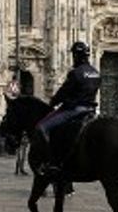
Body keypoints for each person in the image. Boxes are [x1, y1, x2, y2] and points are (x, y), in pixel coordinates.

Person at [34, 41, 101, 175]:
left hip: (74, 110)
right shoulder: (96, 73)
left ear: (76, 55)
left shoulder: (76, 73)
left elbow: (63, 92)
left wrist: (52, 103)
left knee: (41, 127)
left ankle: (51, 162)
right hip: (91, 110)